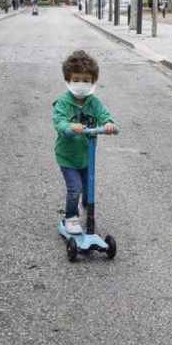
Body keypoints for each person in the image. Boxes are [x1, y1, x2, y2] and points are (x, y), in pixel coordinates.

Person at [52, 51, 117, 234]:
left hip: (87, 155)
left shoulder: (93, 102)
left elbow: (104, 114)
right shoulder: (63, 103)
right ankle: (70, 217)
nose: (82, 83)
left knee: (89, 189)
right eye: (77, 79)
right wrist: (70, 127)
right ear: (68, 79)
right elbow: (59, 122)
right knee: (75, 188)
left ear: (93, 81)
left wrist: (109, 124)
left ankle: (86, 208)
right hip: (68, 156)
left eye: (86, 80)